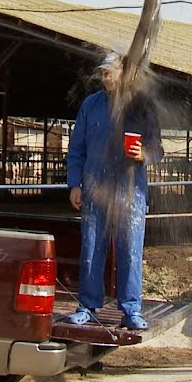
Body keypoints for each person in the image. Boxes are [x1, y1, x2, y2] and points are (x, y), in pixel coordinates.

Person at [63, 53, 163, 330]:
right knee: (91, 248)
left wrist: (143, 153)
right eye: (103, 73)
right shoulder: (90, 105)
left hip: (130, 192)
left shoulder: (141, 105)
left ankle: (131, 309)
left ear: (124, 74)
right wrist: (75, 184)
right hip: (95, 189)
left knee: (130, 251)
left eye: (110, 73)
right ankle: (87, 305)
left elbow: (157, 149)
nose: (105, 78)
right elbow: (76, 149)